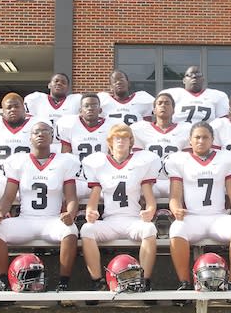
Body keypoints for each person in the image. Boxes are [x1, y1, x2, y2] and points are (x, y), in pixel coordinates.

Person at [0, 121, 80, 292]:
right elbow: (8, 197)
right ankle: (3, 281)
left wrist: (71, 214)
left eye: (45, 131)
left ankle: (63, 283)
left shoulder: (64, 161)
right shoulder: (18, 161)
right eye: (36, 131)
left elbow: (71, 197)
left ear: (52, 137)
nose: (41, 134)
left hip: (52, 220)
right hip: (26, 220)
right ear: (29, 138)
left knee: (71, 231)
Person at [165, 122, 231, 291]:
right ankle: (184, 282)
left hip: (218, 217)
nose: (201, 141)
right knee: (176, 229)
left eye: (205, 137)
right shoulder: (179, 160)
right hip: (192, 217)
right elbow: (174, 196)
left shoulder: (225, 159)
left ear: (212, 140)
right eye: (197, 137)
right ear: (190, 140)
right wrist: (176, 209)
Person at [80, 124, 161, 292]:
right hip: (110, 221)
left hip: (133, 220)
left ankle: (144, 280)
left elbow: (150, 200)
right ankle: (97, 281)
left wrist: (150, 211)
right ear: (110, 142)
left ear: (131, 142)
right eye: (118, 138)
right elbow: (93, 200)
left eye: (125, 138)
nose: (121, 141)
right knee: (87, 229)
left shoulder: (141, 163)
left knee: (150, 229)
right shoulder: (100, 164)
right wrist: (91, 212)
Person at [0, 92, 44, 205]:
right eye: (9, 107)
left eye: (16, 106)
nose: (13, 109)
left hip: (27, 178)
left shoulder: (36, 124)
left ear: (24, 108)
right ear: (3, 111)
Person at [57, 93, 119, 201]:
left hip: (102, 177)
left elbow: (114, 156)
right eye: (86, 106)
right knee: (59, 191)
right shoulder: (70, 125)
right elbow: (65, 156)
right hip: (79, 177)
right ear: (80, 110)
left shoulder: (111, 126)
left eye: (94, 105)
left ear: (100, 110)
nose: (90, 108)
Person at [131, 93, 191, 198]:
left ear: (173, 110)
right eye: (160, 103)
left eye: (167, 103)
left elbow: (189, 162)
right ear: (153, 110)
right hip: (150, 181)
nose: (163, 106)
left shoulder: (185, 129)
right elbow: (137, 161)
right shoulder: (140, 129)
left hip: (175, 179)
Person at [159, 66, 229, 123]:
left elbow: (223, 123)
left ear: (203, 79)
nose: (194, 77)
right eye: (189, 75)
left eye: (198, 75)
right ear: (184, 80)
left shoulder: (218, 96)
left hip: (206, 137)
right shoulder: (171, 94)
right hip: (178, 136)